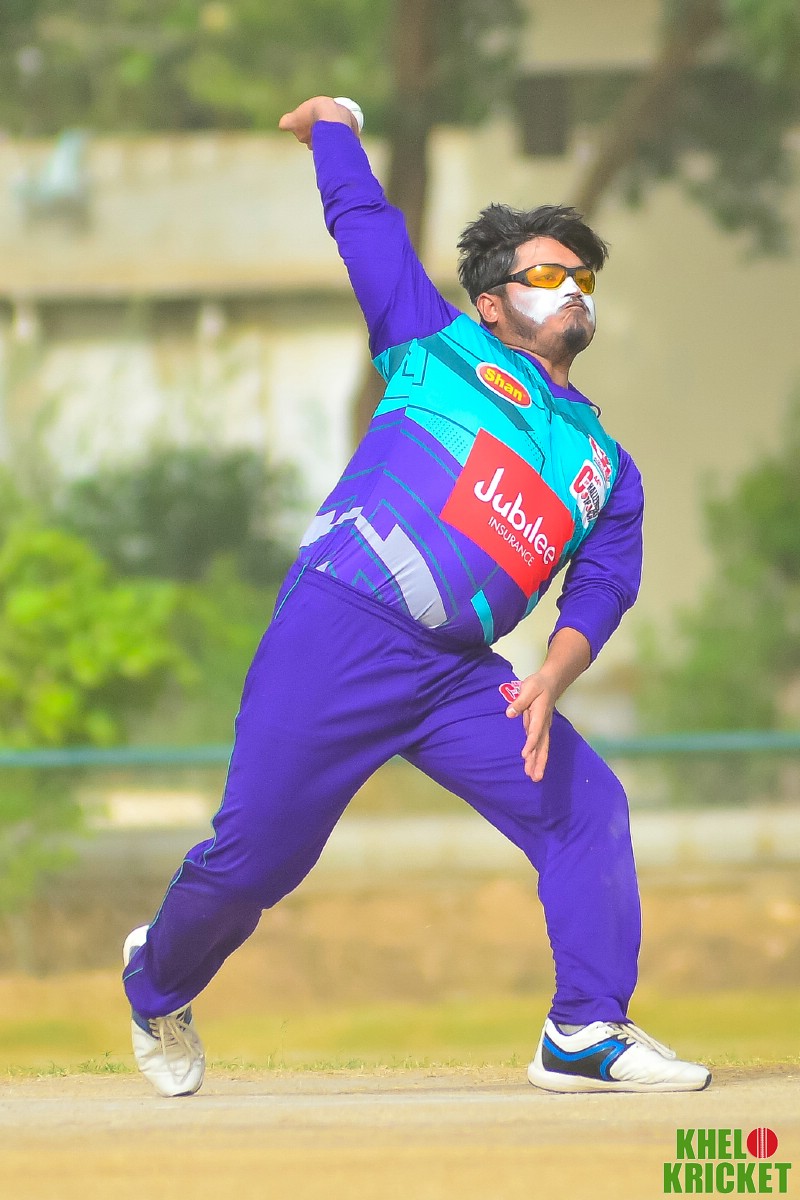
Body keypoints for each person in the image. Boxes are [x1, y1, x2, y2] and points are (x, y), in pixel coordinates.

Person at [122, 95, 711, 1097]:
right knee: (257, 862)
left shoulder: (607, 466)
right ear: (490, 304)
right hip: (338, 631)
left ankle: (583, 1029)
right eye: (546, 274)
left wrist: (551, 677)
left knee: (586, 809)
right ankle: (156, 981)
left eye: (582, 276)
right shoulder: (433, 346)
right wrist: (334, 128)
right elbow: (365, 226)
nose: (572, 287)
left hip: (458, 679)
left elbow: (605, 584)